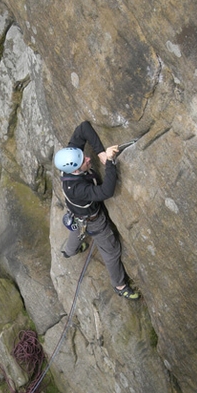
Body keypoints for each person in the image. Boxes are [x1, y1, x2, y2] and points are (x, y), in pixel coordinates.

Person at [54, 120, 139, 300]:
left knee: (76, 233)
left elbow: (83, 127)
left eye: (83, 155)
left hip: (78, 216)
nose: (87, 158)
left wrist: (100, 152)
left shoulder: (69, 159)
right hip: (94, 221)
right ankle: (119, 285)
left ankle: (69, 252)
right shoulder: (77, 188)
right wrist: (109, 162)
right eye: (84, 162)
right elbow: (106, 191)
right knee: (112, 251)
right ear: (76, 171)